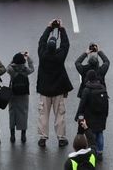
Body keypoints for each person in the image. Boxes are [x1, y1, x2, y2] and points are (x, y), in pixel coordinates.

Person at [36, 19, 74, 148]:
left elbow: (41, 41)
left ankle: (43, 138)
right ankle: (61, 138)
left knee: (43, 115)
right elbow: (65, 44)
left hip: (44, 91)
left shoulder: (42, 54)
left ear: (47, 46)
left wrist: (49, 28)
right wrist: (61, 29)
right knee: (60, 115)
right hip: (58, 90)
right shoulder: (59, 55)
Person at [75, 70, 109, 158]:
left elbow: (82, 104)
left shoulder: (87, 90)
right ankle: (100, 152)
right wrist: (105, 115)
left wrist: (78, 116)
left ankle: (93, 152)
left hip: (90, 116)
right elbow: (106, 104)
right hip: (101, 116)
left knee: (91, 135)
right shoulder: (102, 88)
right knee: (100, 133)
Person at [6, 51, 34, 144]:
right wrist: (28, 58)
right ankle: (23, 135)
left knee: (12, 113)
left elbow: (7, 67)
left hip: (13, 94)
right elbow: (32, 68)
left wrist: (13, 60)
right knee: (23, 113)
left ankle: (12, 135)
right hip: (24, 94)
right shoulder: (25, 69)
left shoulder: (11, 70)